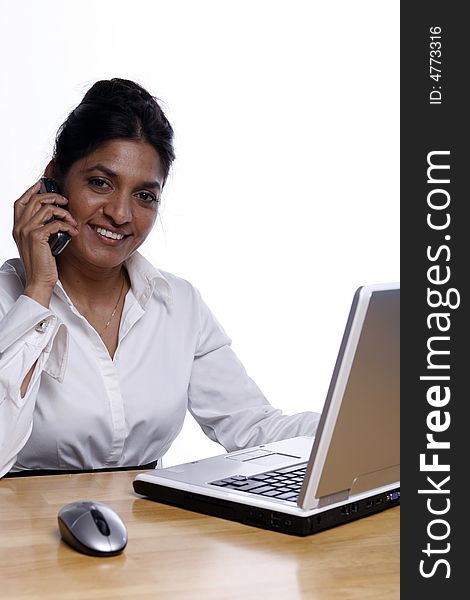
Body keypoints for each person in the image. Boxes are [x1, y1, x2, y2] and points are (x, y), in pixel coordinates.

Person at [0, 78, 320, 478]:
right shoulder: (7, 300)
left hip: (143, 534)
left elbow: (251, 426)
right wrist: (38, 290)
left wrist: (361, 426)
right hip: (20, 533)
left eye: (145, 196)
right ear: (53, 181)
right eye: (101, 183)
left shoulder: (178, 303)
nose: (120, 214)